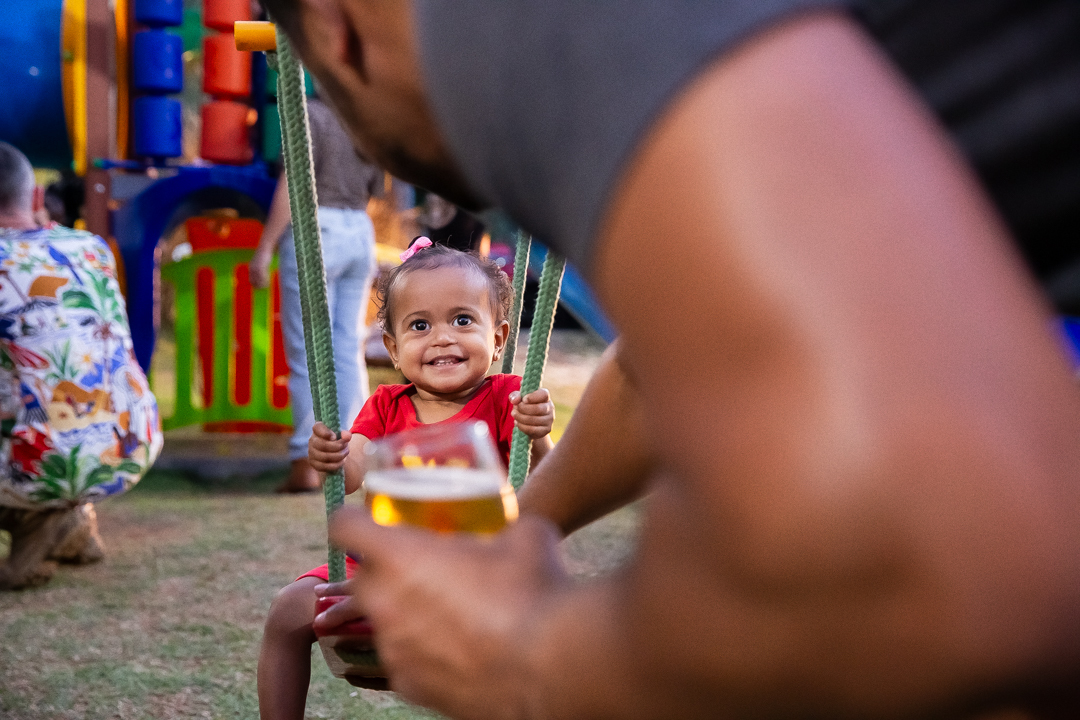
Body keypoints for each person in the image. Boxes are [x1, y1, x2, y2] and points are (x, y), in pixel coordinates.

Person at [262, 1, 1080, 718]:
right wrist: (511, 540)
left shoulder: (508, 22)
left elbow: (903, 561)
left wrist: (527, 663)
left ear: (336, 31)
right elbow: (669, 363)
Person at [257, 241, 556, 720]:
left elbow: (551, 487)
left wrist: (537, 436)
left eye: (462, 320)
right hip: (388, 570)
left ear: (498, 338)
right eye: (420, 325)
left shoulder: (509, 398)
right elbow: (352, 471)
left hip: (478, 575)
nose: (441, 338)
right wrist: (331, 455)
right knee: (288, 611)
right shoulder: (386, 406)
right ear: (393, 349)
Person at [0, 141, 162, 590]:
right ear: (35, 198)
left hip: (44, 458)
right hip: (130, 445)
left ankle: (40, 524)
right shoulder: (91, 248)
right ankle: (73, 522)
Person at [250, 95, 384, 493]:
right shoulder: (366, 116)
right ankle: (356, 455)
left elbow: (293, 182)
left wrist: (264, 249)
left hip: (317, 226)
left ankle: (306, 464)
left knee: (309, 353)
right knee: (346, 348)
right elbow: (377, 187)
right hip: (360, 230)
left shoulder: (309, 112)